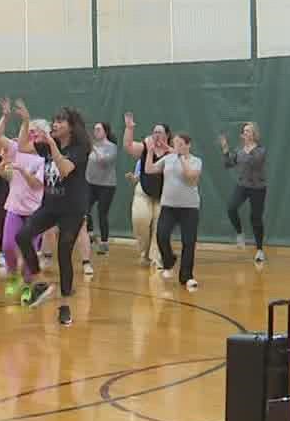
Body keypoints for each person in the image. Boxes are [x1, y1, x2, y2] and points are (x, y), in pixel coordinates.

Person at [17, 106, 93, 327]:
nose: (55, 124)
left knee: (63, 254)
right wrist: (26, 121)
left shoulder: (81, 149)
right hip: (50, 205)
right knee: (23, 236)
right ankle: (40, 283)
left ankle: (65, 307)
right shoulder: (50, 145)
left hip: (73, 209)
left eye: (60, 121)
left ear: (71, 126)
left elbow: (65, 169)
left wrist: (51, 144)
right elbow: (22, 146)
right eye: (54, 121)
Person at [0, 108, 47, 302]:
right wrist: (5, 116)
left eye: (36, 132)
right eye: (30, 130)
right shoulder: (16, 147)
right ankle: (12, 275)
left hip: (35, 212)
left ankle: (27, 286)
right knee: (8, 245)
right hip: (14, 207)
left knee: (29, 253)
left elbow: (36, 184)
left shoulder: (44, 158)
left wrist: (23, 171)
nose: (32, 134)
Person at [148, 133, 203, 291]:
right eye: (175, 143)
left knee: (189, 242)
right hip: (169, 206)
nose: (177, 146)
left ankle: (187, 276)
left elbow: (190, 176)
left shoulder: (196, 161)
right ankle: (169, 260)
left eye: (180, 143)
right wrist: (150, 151)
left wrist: (182, 157)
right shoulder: (168, 159)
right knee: (161, 235)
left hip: (189, 208)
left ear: (188, 145)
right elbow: (150, 169)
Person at [122, 114, 172, 270]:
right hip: (143, 191)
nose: (156, 135)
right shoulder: (145, 147)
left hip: (163, 196)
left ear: (167, 135)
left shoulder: (172, 152)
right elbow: (128, 146)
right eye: (154, 132)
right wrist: (129, 128)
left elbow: (182, 159)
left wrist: (167, 149)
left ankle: (156, 257)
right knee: (140, 219)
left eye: (160, 132)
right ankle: (144, 251)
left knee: (160, 226)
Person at [220, 123, 268, 265]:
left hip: (258, 187)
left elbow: (254, 162)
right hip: (242, 186)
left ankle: (259, 250)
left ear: (254, 134)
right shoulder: (239, 150)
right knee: (231, 208)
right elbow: (228, 163)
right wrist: (225, 148)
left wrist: (241, 153)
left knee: (256, 218)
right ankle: (240, 234)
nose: (246, 133)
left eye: (249, 131)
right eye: (244, 131)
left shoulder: (261, 150)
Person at [85, 121, 119, 258]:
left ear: (105, 131)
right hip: (90, 183)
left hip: (107, 185)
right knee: (84, 209)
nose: (95, 132)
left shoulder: (111, 147)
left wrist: (93, 148)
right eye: (94, 129)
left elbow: (103, 161)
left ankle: (104, 244)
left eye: (98, 129)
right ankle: (91, 234)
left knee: (102, 213)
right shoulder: (91, 147)